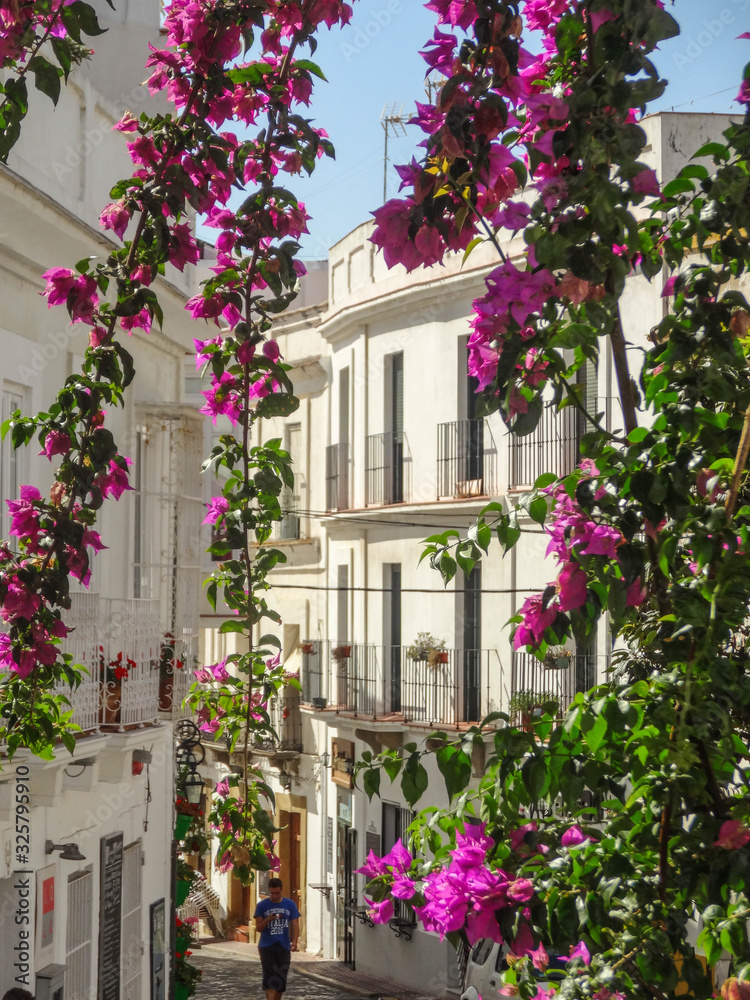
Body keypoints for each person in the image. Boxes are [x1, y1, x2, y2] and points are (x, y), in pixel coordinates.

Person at [254, 877, 300, 1000]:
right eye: (272, 893)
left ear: (281, 891)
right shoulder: (262, 906)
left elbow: (295, 923)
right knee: (269, 978)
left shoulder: (290, 904)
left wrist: (295, 941)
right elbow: (258, 928)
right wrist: (267, 920)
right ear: (269, 891)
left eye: (277, 893)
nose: (274, 896)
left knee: (280, 980)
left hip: (283, 946)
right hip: (267, 946)